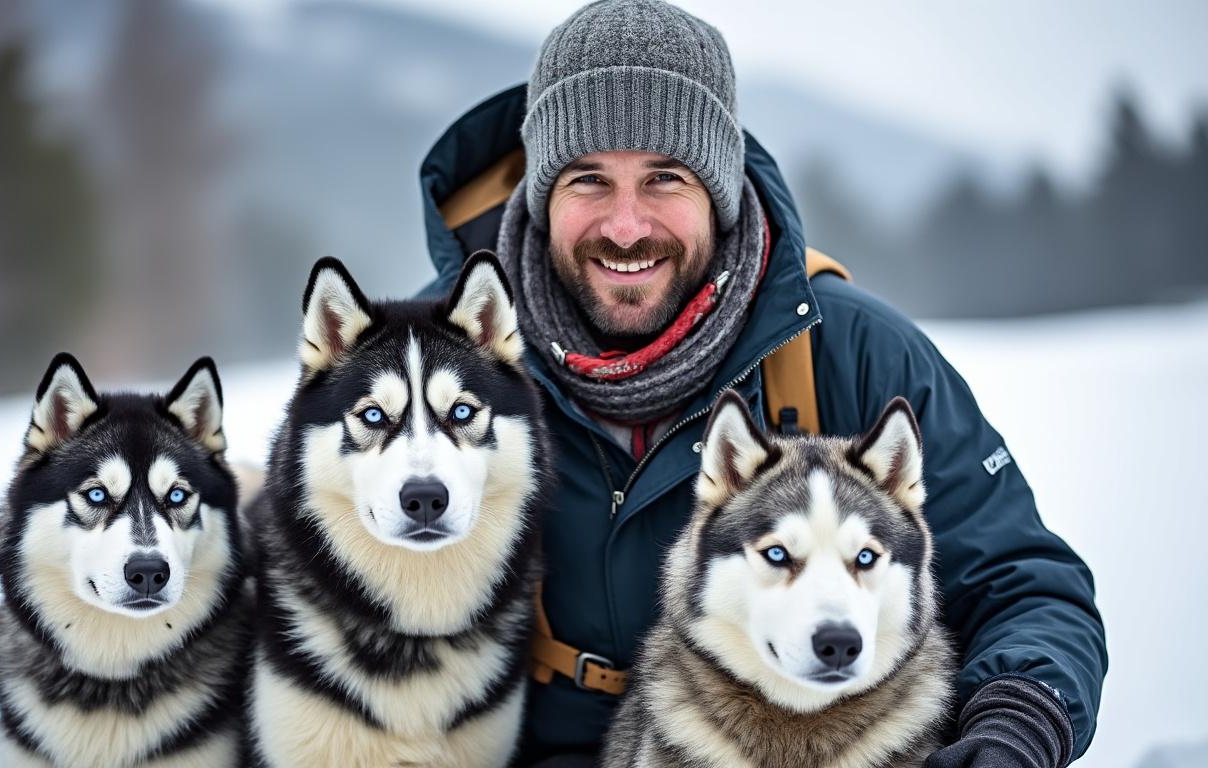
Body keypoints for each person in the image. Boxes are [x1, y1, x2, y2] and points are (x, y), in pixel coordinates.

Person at [416, 1, 1106, 765]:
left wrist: (1015, 724)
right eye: (587, 180)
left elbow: (1021, 582)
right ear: (543, 192)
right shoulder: (441, 365)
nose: (624, 225)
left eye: (664, 177)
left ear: (719, 184)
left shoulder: (849, 350)